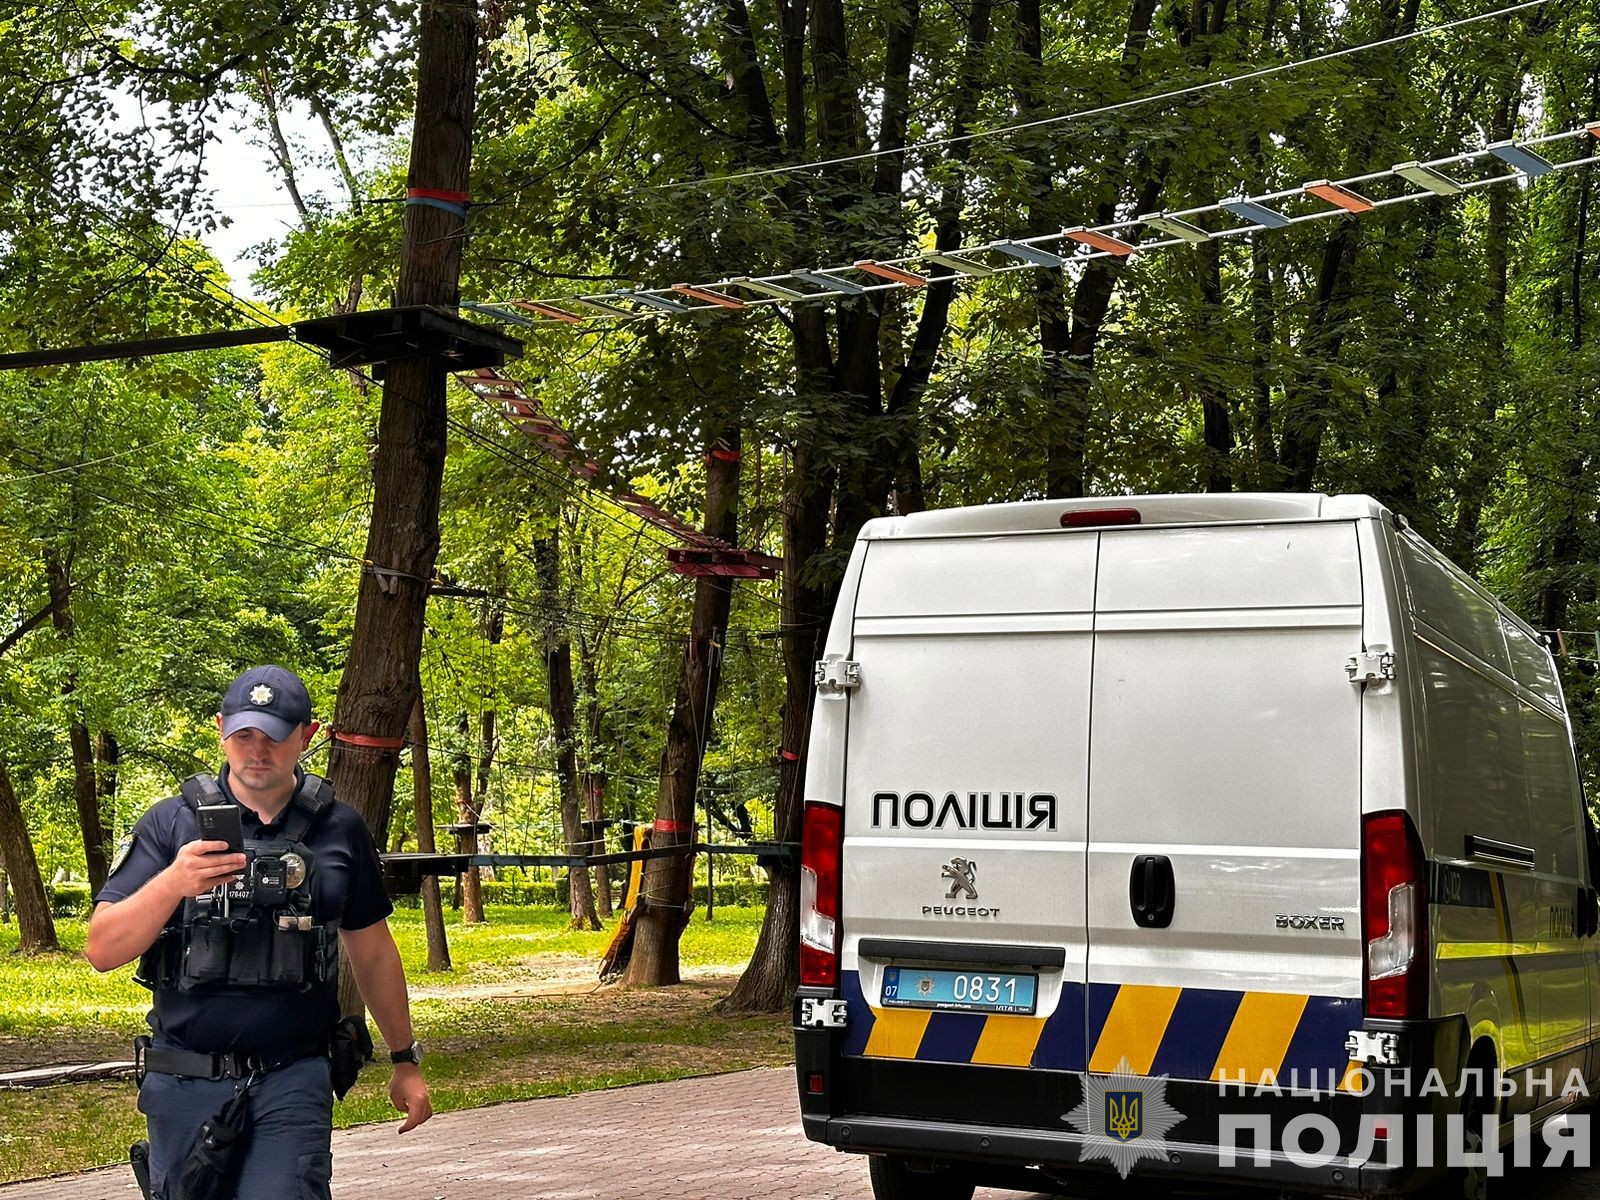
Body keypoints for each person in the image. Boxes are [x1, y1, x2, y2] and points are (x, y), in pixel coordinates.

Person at [86, 665, 432, 1200]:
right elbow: (103, 949)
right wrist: (174, 881)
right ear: (221, 730)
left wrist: (405, 1060)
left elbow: (374, 953)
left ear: (307, 735)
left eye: (273, 735)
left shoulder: (339, 829)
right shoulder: (171, 825)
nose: (257, 751)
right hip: (184, 1080)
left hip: (291, 1075)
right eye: (243, 735)